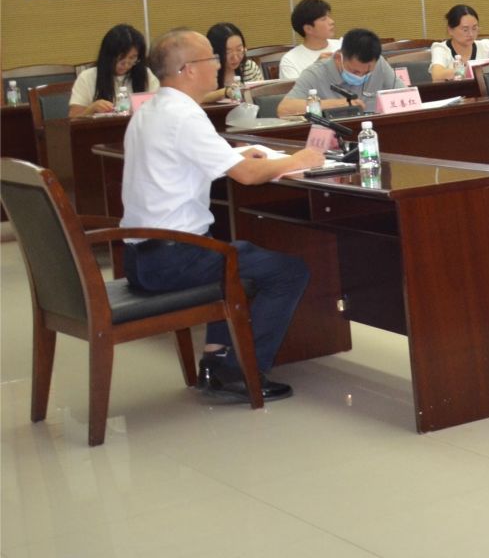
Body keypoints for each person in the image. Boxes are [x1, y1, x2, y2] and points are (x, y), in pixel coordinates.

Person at [121, 29, 322, 397]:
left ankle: (216, 360)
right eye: (210, 58)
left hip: (141, 256)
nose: (217, 65)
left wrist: (236, 156)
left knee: (232, 252)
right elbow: (247, 176)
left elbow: (189, 159)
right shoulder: (184, 115)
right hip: (171, 259)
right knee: (287, 271)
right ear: (186, 69)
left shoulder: (152, 109)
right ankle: (242, 371)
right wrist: (300, 159)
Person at [280, 29, 402, 117]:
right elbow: (284, 109)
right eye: (355, 71)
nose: (361, 76)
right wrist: (339, 104)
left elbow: (405, 96)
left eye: (367, 72)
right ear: (339, 58)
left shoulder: (379, 64)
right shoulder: (315, 73)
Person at [69, 24, 159, 116]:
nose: (126, 64)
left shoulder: (146, 74)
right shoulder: (87, 77)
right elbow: (73, 118)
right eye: (121, 58)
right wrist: (92, 108)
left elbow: (160, 106)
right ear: (108, 56)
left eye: (132, 58)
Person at [275, 0, 340, 80]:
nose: (331, 21)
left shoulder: (343, 46)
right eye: (323, 19)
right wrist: (316, 69)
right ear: (308, 29)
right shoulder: (290, 61)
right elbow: (296, 88)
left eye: (329, 17)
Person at [200, 22, 265, 102]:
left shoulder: (249, 67)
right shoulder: (206, 71)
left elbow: (262, 97)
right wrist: (225, 92)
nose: (235, 58)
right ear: (215, 52)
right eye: (228, 52)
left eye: (239, 49)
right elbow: (197, 98)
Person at [428, 5, 489, 80]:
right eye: (465, 30)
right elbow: (437, 76)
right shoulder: (441, 49)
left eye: (474, 28)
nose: (471, 34)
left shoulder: (485, 46)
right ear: (450, 30)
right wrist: (465, 71)